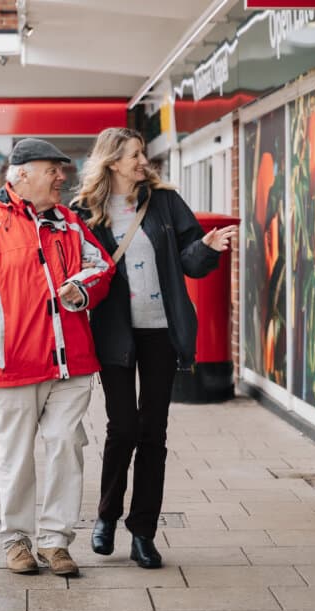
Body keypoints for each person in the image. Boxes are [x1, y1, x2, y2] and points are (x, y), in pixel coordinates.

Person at [0, 138, 115, 576]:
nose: (62, 177)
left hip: (70, 363)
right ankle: (16, 541)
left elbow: (102, 267)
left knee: (65, 448)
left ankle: (56, 542)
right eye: (52, 170)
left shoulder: (71, 223)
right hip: (13, 361)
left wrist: (81, 288)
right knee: (16, 456)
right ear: (21, 174)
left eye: (62, 169)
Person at [71, 128, 237, 569]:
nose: (143, 161)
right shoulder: (85, 212)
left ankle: (143, 531)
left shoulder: (164, 202)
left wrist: (205, 246)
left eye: (143, 153)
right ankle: (106, 516)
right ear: (111, 162)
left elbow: (187, 257)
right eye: (134, 155)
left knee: (153, 433)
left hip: (162, 332)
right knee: (123, 427)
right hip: (115, 333)